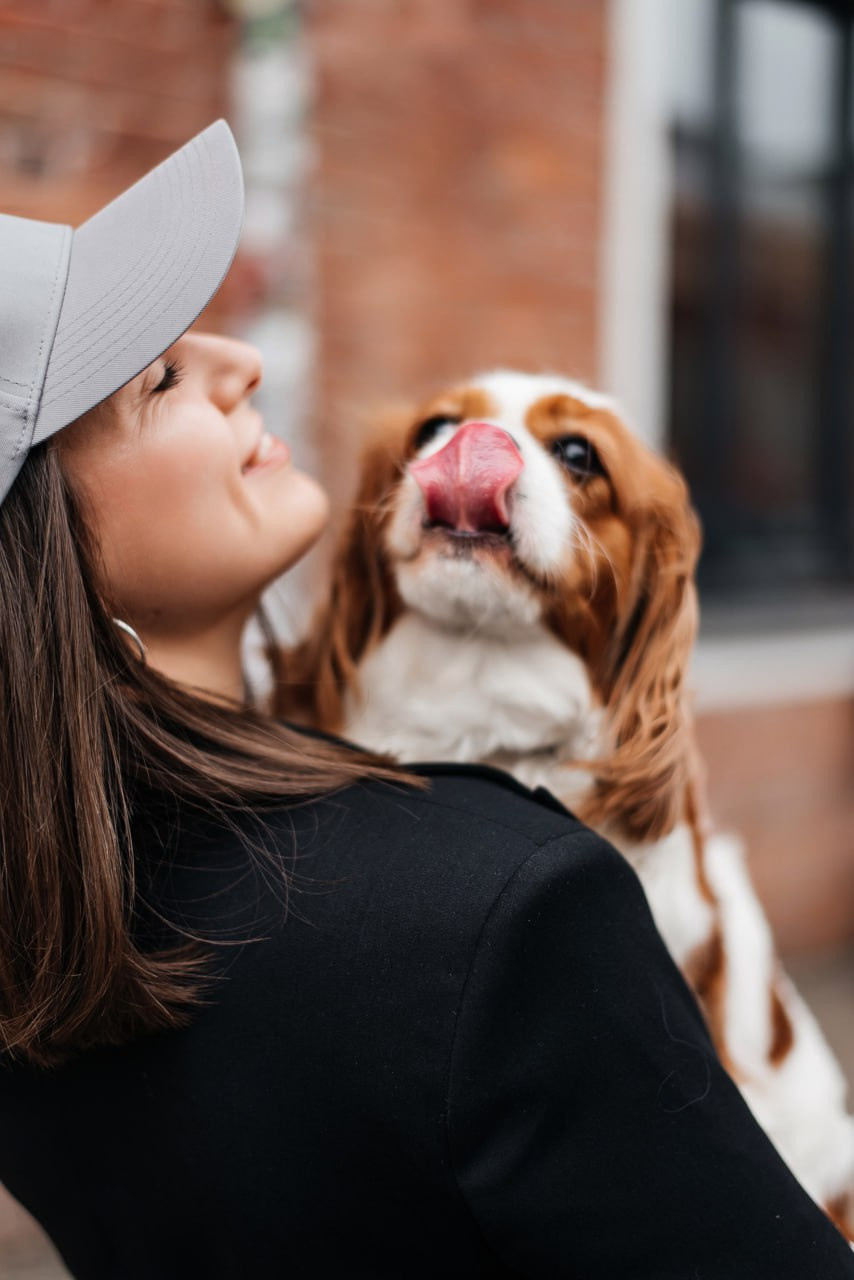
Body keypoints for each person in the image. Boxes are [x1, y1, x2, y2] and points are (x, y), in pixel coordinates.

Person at [0, 122, 850, 1280]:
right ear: (41, 559)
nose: (238, 357)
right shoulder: (501, 904)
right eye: (156, 374)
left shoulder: (28, 931)